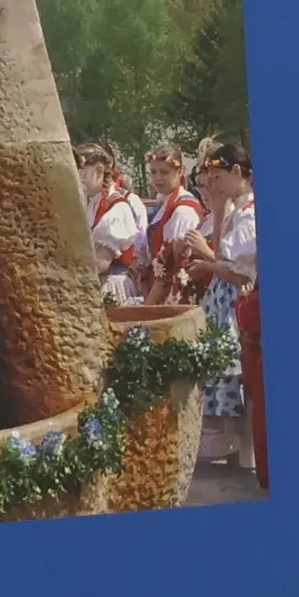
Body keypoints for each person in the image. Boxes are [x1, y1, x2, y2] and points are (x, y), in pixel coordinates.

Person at [179, 139, 259, 467]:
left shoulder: (250, 214)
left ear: (237, 171)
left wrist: (208, 263)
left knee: (236, 378)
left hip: (237, 304)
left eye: (217, 177)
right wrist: (221, 209)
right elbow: (223, 256)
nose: (213, 185)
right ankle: (235, 456)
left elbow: (239, 274)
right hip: (223, 301)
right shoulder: (236, 211)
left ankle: (244, 459)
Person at [75, 141, 142, 307]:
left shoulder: (117, 208)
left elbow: (100, 263)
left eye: (81, 174)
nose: (76, 180)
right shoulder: (91, 204)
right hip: (92, 283)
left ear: (99, 171)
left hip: (110, 286)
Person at [142, 144, 204, 304]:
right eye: (153, 172)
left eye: (164, 172)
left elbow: (172, 266)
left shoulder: (183, 210)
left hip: (174, 292)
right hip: (159, 286)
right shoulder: (167, 202)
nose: (158, 178)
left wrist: (147, 305)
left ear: (180, 171)